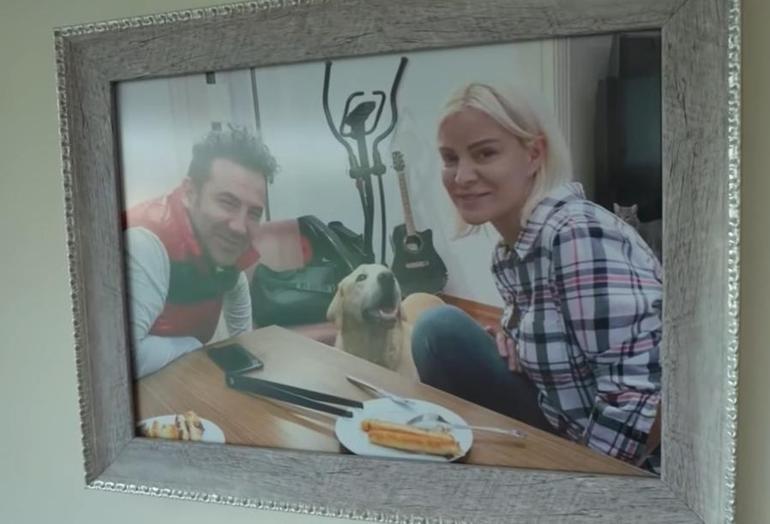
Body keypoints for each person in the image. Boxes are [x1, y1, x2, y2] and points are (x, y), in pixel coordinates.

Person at [411, 82, 662, 467]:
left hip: (621, 463)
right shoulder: (509, 253)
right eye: (450, 158)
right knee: (438, 331)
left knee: (439, 327)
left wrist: (581, 484)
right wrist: (511, 337)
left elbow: (642, 396)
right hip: (561, 423)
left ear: (534, 154)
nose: (461, 177)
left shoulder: (576, 233)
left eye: (485, 153)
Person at [124, 126, 278, 379]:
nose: (240, 227)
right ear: (190, 193)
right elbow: (122, 359)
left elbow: (236, 285)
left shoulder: (222, 243)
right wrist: (192, 346)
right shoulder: (144, 243)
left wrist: (244, 348)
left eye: (254, 213)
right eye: (227, 202)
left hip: (175, 378)